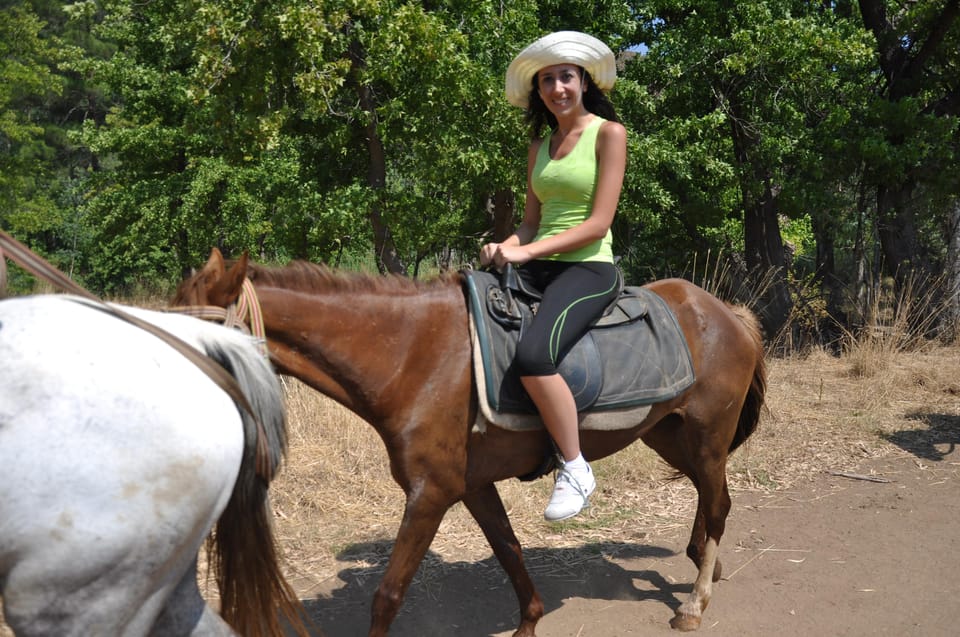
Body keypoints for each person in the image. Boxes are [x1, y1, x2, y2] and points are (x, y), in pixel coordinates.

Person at [480, 31, 627, 521]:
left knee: (534, 355)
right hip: (539, 261)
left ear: (583, 81)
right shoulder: (539, 146)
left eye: (565, 76)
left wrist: (529, 251)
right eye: (546, 80)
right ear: (538, 92)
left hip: (589, 267)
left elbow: (598, 223)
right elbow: (530, 223)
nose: (556, 87)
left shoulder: (609, 134)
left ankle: (576, 466)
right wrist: (507, 246)